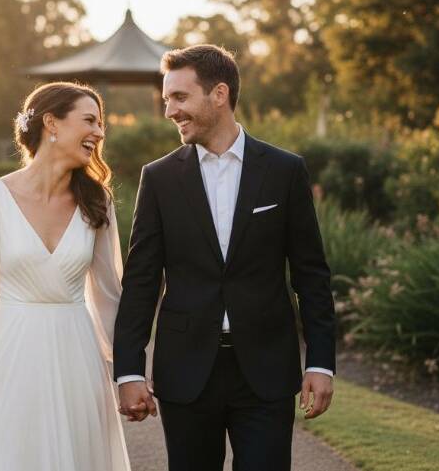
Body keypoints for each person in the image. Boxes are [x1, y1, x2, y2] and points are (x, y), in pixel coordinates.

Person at [114, 45, 336, 471]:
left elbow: (310, 275)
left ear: (219, 94)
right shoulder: (158, 178)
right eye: (166, 100)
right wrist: (129, 372)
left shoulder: (284, 170)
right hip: (186, 373)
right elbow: (141, 280)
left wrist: (321, 363)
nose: (169, 111)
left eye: (179, 98)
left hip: (266, 371)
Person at [0, 81, 130, 471]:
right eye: (89, 120)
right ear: (51, 123)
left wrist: (129, 374)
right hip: (8, 354)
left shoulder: (98, 203)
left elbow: (110, 297)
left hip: (77, 358)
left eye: (101, 124)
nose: (99, 132)